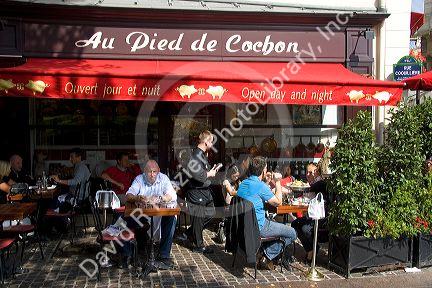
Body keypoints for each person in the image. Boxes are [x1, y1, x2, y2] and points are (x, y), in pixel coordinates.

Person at [236, 156, 297, 269]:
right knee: (292, 232)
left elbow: (254, 196)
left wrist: (266, 182)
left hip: (243, 225)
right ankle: (266, 254)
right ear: (264, 170)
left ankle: (266, 253)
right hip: (259, 226)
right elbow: (278, 202)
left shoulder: (243, 183)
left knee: (277, 225)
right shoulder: (260, 186)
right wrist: (277, 182)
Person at [126, 160, 177, 270]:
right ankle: (140, 249)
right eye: (149, 172)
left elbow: (172, 194)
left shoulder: (163, 178)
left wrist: (161, 198)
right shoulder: (139, 179)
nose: (152, 174)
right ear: (145, 172)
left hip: (160, 213)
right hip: (144, 214)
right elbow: (129, 195)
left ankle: (164, 255)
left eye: (155, 171)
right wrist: (138, 197)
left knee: (171, 218)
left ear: (158, 171)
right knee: (133, 218)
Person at [185, 130, 221, 254]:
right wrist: (210, 173)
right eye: (211, 141)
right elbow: (197, 175)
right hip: (196, 191)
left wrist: (212, 170)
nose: (212, 144)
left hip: (205, 191)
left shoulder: (202, 154)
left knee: (211, 213)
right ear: (206, 141)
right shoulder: (195, 155)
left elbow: (203, 171)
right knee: (199, 218)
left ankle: (190, 233)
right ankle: (198, 245)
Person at [291, 163, 328, 264]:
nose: (307, 174)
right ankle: (311, 250)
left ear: (316, 173)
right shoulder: (313, 183)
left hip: (321, 218)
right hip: (312, 216)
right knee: (295, 223)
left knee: (305, 228)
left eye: (310, 172)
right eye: (307, 172)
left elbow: (306, 190)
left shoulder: (320, 183)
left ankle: (312, 251)